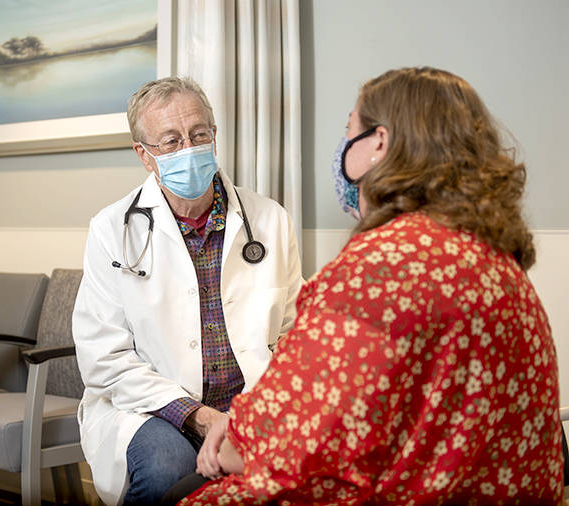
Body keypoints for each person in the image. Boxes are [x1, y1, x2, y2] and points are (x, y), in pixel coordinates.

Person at [166, 67, 564, 505]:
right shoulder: (496, 258)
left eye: (348, 130)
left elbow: (259, 449)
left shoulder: (377, 268)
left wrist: (237, 429)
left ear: (378, 143)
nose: (342, 148)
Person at [72, 76, 303, 506]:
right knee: (168, 469)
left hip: (250, 400)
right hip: (150, 407)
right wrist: (199, 417)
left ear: (214, 137)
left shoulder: (269, 219)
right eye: (171, 141)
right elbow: (104, 358)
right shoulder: (111, 230)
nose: (189, 149)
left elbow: (294, 330)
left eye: (199, 135)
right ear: (144, 155)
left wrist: (264, 410)